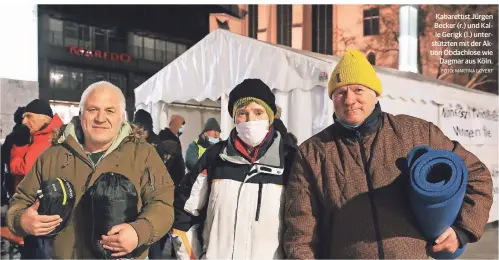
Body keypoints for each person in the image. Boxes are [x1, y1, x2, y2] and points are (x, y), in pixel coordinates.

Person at [283, 50, 493, 259]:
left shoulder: (416, 132)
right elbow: (300, 231)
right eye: (340, 93)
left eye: (358, 90)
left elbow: (477, 175)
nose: (349, 100)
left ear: (375, 94)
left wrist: (462, 230)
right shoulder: (312, 152)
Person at [6, 81, 174, 259]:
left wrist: (138, 231)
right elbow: (20, 202)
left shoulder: (143, 154)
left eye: (110, 110)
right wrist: (22, 220)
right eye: (92, 109)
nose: (100, 118)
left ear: (122, 117)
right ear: (80, 114)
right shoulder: (52, 156)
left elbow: (163, 205)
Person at [172, 78, 297, 259]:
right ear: (234, 118)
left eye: (258, 112)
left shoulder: (289, 160)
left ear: (269, 117)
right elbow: (184, 210)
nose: (250, 120)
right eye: (242, 113)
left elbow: (302, 225)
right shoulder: (215, 157)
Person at [9, 101, 63, 190]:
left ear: (46, 118)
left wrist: (19, 147)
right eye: (24, 117)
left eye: (29, 116)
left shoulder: (46, 139)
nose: (24, 121)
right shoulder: (41, 136)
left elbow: (26, 170)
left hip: (34, 199)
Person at [158, 115, 186, 186]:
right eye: (181, 124)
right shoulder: (167, 138)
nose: (182, 127)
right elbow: (171, 161)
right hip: (169, 180)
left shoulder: (174, 138)